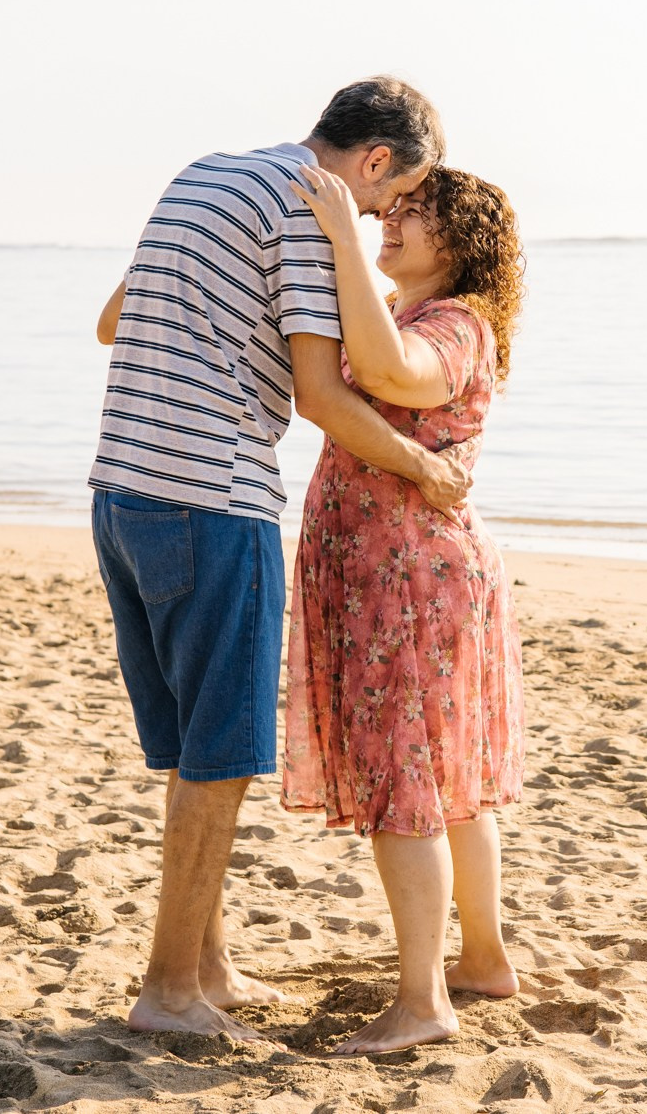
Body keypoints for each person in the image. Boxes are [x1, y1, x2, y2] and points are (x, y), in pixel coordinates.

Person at [88, 77, 473, 1040]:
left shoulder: (204, 177)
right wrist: (427, 465)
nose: (382, 219)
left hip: (120, 489)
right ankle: (171, 990)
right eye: (393, 194)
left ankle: (208, 968)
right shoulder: (311, 209)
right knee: (219, 759)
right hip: (211, 499)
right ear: (375, 160)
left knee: (185, 750)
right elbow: (321, 397)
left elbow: (111, 323)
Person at [281, 162, 527, 1054]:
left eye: (411, 215)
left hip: (412, 580)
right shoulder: (415, 314)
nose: (390, 222)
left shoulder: (455, 323)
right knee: (446, 781)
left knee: (408, 784)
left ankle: (423, 1001)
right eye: (392, 211)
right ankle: (484, 959)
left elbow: (392, 373)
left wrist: (344, 235)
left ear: (458, 244)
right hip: (400, 572)